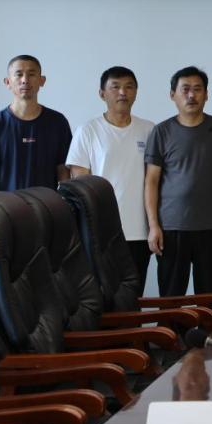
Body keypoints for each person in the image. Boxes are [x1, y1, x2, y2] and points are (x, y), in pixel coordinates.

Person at [144, 66, 212, 297]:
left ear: (206, 94)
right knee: (171, 298)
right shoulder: (161, 131)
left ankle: (208, 325)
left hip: (211, 227)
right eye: (185, 89)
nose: (191, 95)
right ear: (172, 95)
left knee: (209, 297)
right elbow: (151, 181)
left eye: (197, 89)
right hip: (171, 228)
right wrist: (154, 226)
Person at [66, 66, 156, 292]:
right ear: (102, 93)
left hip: (139, 230)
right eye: (115, 87)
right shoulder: (88, 131)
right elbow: (80, 185)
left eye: (129, 87)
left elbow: (156, 180)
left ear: (136, 92)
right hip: (100, 231)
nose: (122, 93)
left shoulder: (149, 130)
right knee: (102, 296)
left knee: (134, 295)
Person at [0, 55, 72, 193]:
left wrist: (64, 202)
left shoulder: (58, 122)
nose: (25, 80)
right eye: (19, 74)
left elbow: (63, 171)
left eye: (31, 74)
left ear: (42, 80)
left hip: (48, 205)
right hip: (6, 206)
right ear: (7, 82)